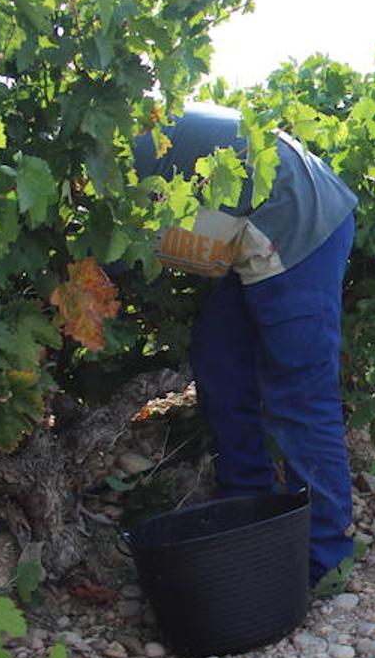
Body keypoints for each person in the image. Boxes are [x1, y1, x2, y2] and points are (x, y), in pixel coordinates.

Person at [131, 104, 358, 587]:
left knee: (299, 389)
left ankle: (323, 556)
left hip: (296, 219)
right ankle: (247, 509)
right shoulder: (85, 153)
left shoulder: (92, 163)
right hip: (259, 229)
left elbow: (107, 252)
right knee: (219, 361)